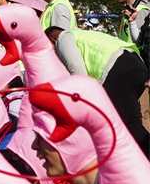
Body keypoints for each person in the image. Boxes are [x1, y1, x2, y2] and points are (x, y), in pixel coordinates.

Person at [46, 24, 148, 157]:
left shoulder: (64, 38)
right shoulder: (83, 35)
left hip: (119, 70)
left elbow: (77, 70)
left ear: (53, 41)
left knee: (127, 124)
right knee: (125, 123)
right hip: (136, 66)